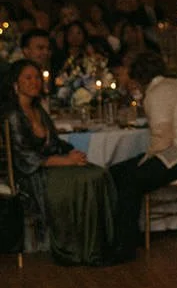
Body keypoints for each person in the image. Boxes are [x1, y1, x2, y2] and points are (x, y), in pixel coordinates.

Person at [4, 60, 117, 265]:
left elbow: (54, 143)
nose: (35, 82)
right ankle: (79, 250)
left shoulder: (38, 110)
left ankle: (100, 247)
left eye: (37, 77)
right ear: (15, 83)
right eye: (28, 78)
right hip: (32, 175)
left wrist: (72, 155)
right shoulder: (13, 115)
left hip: (52, 166)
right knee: (86, 179)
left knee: (99, 173)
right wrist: (66, 161)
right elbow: (26, 158)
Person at [110, 53, 177, 261]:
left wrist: (143, 163)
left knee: (129, 179)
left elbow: (163, 139)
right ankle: (128, 235)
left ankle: (124, 246)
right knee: (119, 170)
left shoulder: (156, 93)